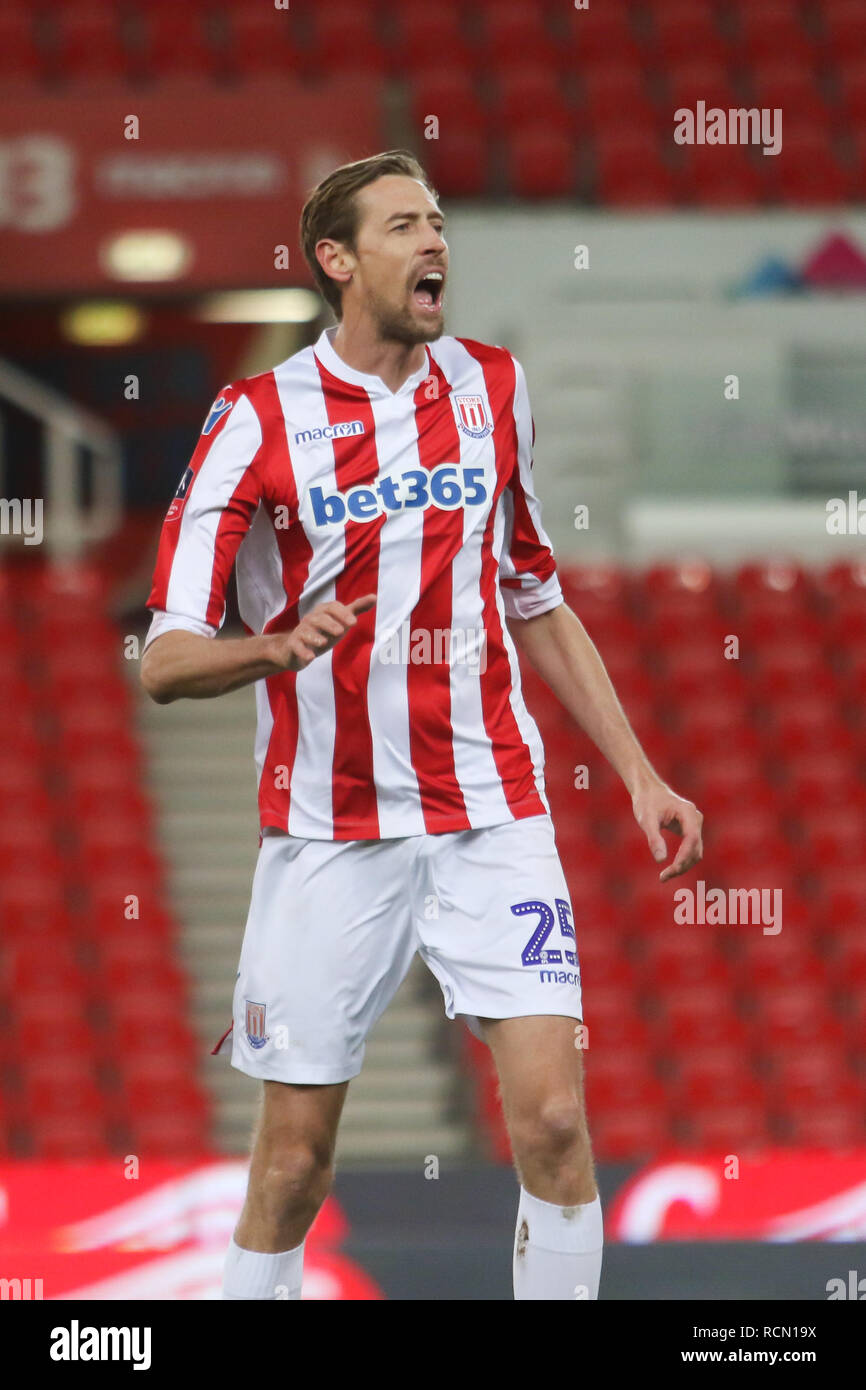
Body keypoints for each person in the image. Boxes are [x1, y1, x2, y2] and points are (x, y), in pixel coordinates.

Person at [141, 150, 703, 1301]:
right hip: (327, 826)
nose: (433, 241)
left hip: (491, 806)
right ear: (337, 260)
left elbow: (533, 591)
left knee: (551, 1118)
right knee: (294, 1163)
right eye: (403, 225)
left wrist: (639, 772)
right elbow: (163, 661)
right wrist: (271, 645)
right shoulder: (253, 421)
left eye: (438, 220)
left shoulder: (494, 386)